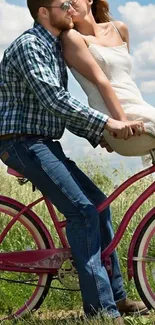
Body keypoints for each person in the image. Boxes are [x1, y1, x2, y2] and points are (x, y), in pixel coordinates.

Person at [0, 1, 147, 324]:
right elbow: (56, 99)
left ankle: (117, 297)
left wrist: (100, 136)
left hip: (43, 142)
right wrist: (108, 124)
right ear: (43, 11)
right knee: (82, 212)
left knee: (99, 205)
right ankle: (101, 311)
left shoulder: (54, 47)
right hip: (21, 142)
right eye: (63, 4)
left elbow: (62, 109)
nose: (70, 8)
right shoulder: (30, 45)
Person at [61, 0, 155, 157]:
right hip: (119, 120)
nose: (68, 7)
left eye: (72, 1)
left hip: (140, 109)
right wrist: (122, 122)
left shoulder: (119, 29)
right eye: (63, 5)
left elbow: (125, 78)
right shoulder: (71, 37)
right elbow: (101, 81)